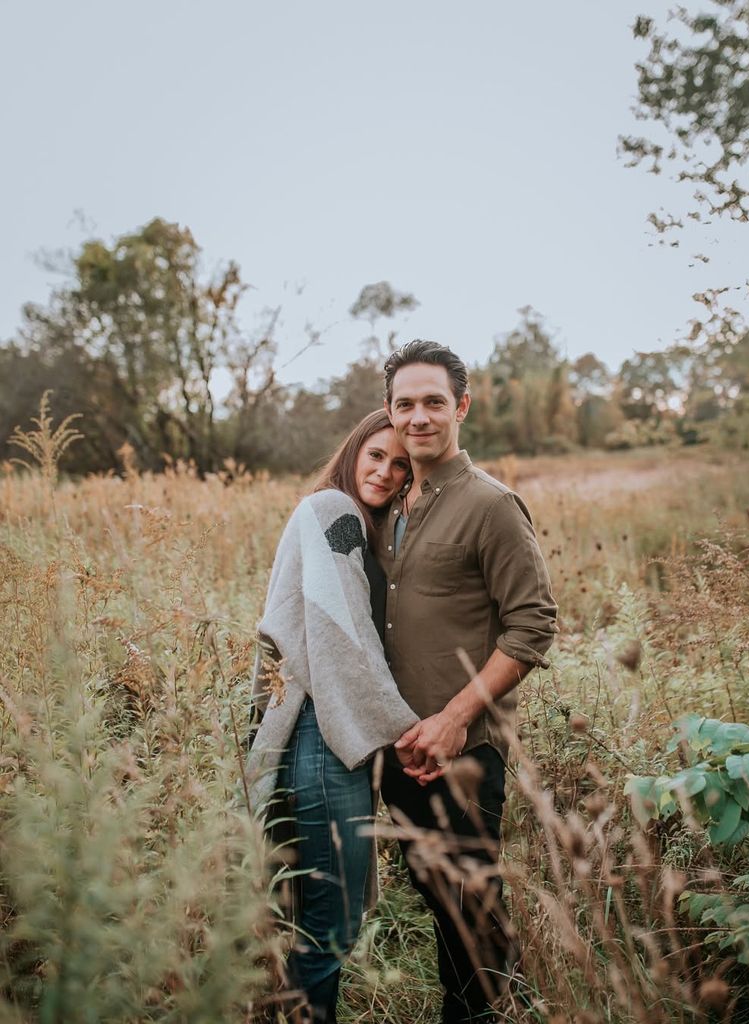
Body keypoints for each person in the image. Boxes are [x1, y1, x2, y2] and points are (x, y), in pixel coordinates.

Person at [378, 340, 558, 1024]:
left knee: (470, 910)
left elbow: (531, 626)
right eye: (404, 404)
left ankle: (485, 1012)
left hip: (461, 750)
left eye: (431, 402)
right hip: (398, 746)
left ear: (460, 406)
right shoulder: (392, 502)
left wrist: (453, 718)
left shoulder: (490, 505)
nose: (418, 417)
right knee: (435, 898)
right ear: (388, 414)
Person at [245, 410, 420, 1024]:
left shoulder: (345, 518)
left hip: (319, 732)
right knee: (330, 919)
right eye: (375, 455)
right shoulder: (334, 513)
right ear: (352, 453)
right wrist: (404, 731)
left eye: (400, 465)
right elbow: (343, 635)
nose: (386, 471)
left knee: (315, 913)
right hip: (325, 733)